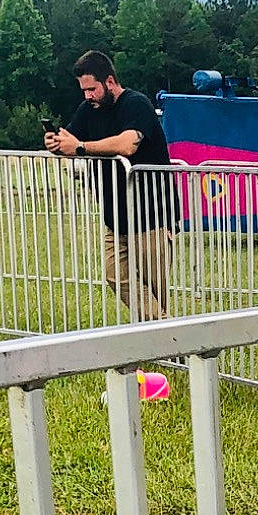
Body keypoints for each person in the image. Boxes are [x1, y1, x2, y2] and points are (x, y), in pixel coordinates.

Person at [45, 50, 175, 321]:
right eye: (84, 90)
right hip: (115, 216)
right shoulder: (88, 110)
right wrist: (56, 144)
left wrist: (80, 147)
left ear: (110, 81)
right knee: (114, 274)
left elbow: (128, 144)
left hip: (153, 214)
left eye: (92, 89)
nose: (87, 96)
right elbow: (70, 141)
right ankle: (164, 328)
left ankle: (160, 334)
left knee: (154, 286)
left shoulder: (136, 104)